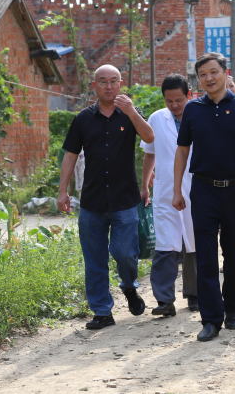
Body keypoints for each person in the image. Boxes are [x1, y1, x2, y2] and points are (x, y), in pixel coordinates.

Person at [172, 52, 235, 342]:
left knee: (233, 255)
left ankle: (232, 311)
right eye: (203, 74)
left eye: (214, 72)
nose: (209, 78)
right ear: (197, 79)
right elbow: (182, 151)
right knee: (206, 256)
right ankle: (210, 319)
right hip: (203, 189)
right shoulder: (192, 110)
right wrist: (177, 190)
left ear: (225, 73)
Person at [57, 65, 155, 330]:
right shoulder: (83, 119)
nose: (109, 86)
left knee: (125, 254)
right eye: (103, 82)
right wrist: (63, 190)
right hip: (92, 201)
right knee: (95, 260)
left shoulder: (130, 115)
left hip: (124, 200)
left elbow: (149, 137)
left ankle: (129, 287)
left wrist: (132, 111)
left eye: (114, 81)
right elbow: (70, 155)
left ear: (121, 85)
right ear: (94, 86)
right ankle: (102, 311)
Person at [140, 75, 198, 316]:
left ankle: (195, 295)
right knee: (166, 243)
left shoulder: (200, 115)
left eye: (179, 100)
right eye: (169, 101)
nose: (174, 105)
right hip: (165, 189)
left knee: (195, 242)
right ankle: (164, 300)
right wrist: (145, 183)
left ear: (190, 94)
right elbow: (150, 153)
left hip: (196, 187)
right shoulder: (156, 118)